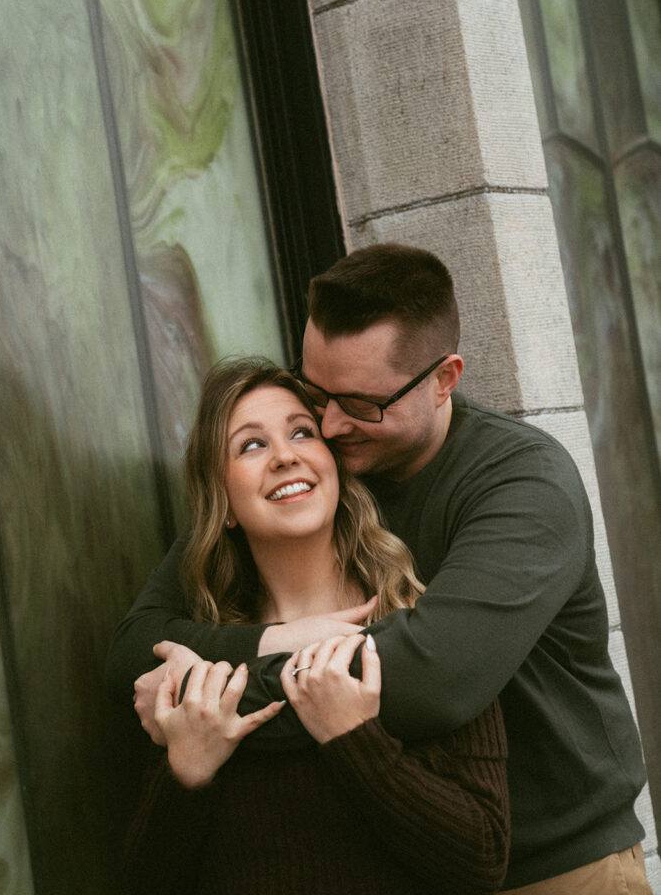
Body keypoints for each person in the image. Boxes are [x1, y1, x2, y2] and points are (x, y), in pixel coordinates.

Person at [107, 244, 652, 893]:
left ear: (444, 378)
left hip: (556, 862)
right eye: (317, 393)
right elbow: (131, 653)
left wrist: (206, 706)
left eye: (362, 403)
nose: (330, 424)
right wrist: (277, 639)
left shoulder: (521, 485)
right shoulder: (319, 471)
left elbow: (427, 681)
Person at [122, 357, 510, 895]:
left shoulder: (419, 625)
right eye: (251, 445)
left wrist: (354, 739)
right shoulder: (200, 675)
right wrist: (186, 776)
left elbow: (483, 858)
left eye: (302, 433)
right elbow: (148, 880)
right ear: (224, 504)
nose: (285, 456)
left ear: (334, 466)